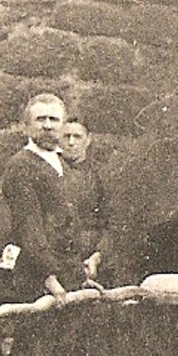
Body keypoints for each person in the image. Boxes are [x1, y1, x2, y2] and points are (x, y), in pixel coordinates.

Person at [1, 93, 101, 356]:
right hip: (36, 276)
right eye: (40, 119)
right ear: (26, 125)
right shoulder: (21, 167)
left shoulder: (60, 164)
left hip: (66, 271)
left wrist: (78, 274)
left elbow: (66, 229)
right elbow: (31, 232)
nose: (48, 126)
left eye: (54, 120)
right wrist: (51, 279)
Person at [59, 117, 108, 284]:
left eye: (77, 137)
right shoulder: (47, 172)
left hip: (92, 253)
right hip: (57, 255)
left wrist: (98, 255)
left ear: (88, 140)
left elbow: (113, 223)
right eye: (66, 136)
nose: (71, 143)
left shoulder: (101, 175)